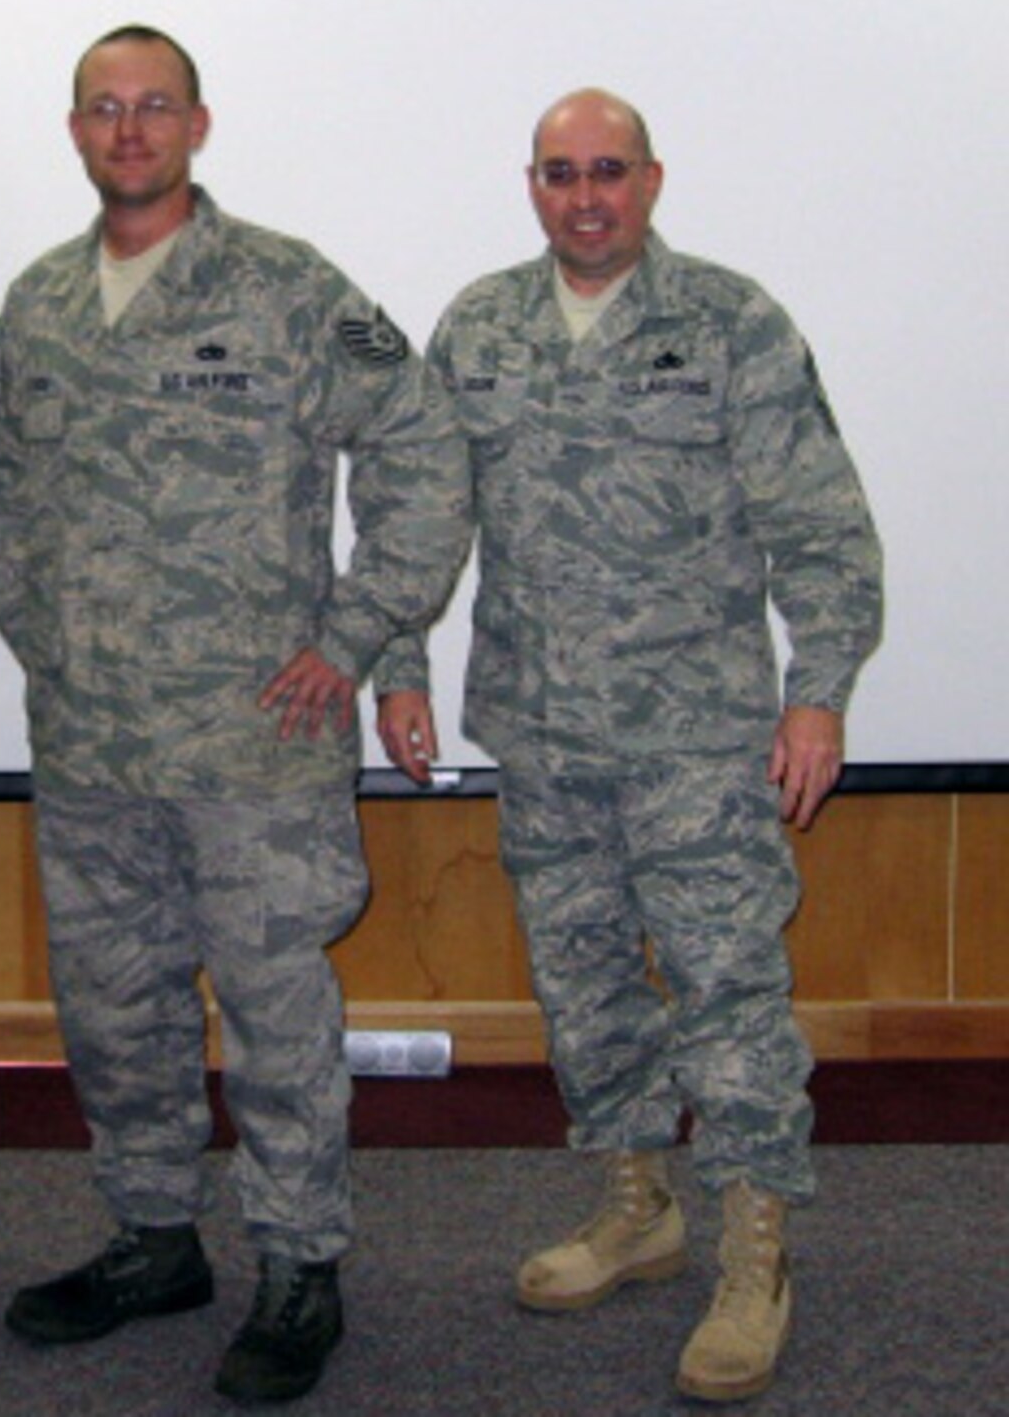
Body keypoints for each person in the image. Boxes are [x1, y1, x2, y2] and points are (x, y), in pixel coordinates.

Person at [0, 25, 469, 1406]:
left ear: (198, 124)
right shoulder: (46, 300)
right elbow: (1, 476)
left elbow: (421, 446)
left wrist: (358, 632)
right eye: (104, 109)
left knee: (273, 1010)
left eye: (154, 106)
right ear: (75, 131)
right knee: (114, 1007)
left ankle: (301, 1264)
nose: (129, 129)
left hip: (254, 744)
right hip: (90, 741)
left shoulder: (287, 288)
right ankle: (152, 1235)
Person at [374, 88, 882, 1404]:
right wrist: (397, 656)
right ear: (529, 184)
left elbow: (821, 522)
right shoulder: (479, 328)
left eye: (609, 171)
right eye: (560, 174)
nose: (585, 195)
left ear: (652, 181)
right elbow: (423, 516)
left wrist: (817, 687)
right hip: (541, 734)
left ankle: (755, 1251)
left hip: (697, 739)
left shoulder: (727, 321)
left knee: (727, 999)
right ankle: (639, 1205)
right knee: (586, 989)